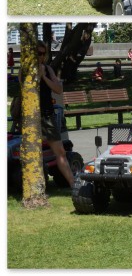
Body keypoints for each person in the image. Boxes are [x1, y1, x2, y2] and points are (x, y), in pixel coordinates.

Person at [19, 41, 73, 188]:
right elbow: (24, 91)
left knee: (60, 152)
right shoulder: (25, 70)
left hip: (47, 115)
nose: (41, 57)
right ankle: (35, 186)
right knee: (33, 152)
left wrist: (44, 77)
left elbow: (58, 89)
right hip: (31, 117)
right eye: (38, 53)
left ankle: (73, 184)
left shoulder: (48, 69)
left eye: (43, 54)